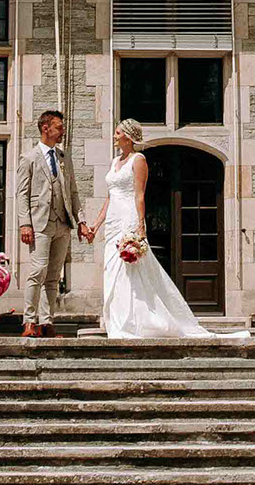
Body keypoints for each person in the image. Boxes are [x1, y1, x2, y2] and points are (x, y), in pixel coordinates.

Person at [83, 118, 243, 340]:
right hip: (112, 220)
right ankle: (117, 320)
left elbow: (139, 195)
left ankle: (137, 321)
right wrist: (95, 225)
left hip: (128, 217)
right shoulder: (114, 162)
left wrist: (140, 226)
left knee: (129, 269)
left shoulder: (138, 160)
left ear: (128, 137)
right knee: (112, 269)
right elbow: (109, 198)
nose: (114, 135)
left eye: (118, 132)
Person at [14, 109, 86, 338]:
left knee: (54, 276)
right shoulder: (29, 158)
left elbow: (73, 192)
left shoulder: (64, 158)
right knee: (37, 272)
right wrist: (25, 223)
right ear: (46, 128)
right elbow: (21, 194)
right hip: (39, 224)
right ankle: (29, 321)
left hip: (62, 224)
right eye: (59, 127)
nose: (62, 131)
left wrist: (81, 220)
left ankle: (47, 322)